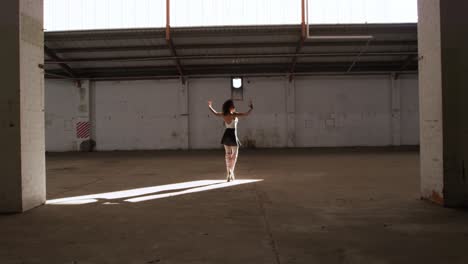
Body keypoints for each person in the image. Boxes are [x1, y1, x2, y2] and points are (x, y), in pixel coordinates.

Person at [208, 99, 253, 182]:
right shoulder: (234, 115)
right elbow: (246, 114)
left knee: (227, 155)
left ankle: (228, 172)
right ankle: (231, 171)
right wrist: (251, 108)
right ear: (230, 107)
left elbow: (215, 113)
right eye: (233, 106)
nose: (234, 107)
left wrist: (210, 107)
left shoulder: (224, 114)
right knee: (234, 155)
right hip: (233, 136)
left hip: (226, 136)